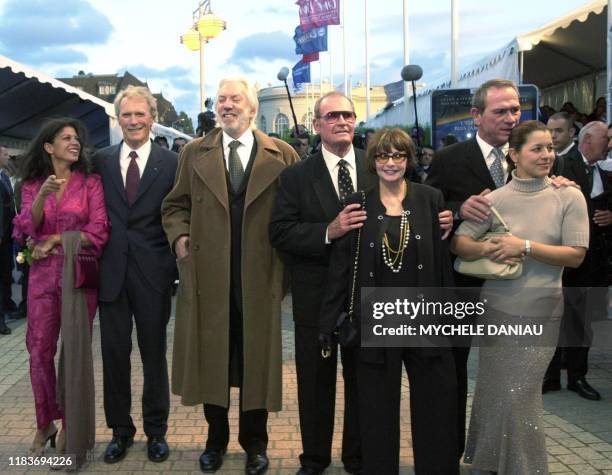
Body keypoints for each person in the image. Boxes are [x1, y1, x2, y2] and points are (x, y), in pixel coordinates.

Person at [161, 76, 298, 475]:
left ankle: (255, 444)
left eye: (235, 99)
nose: (227, 105)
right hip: (208, 276)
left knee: (257, 359)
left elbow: (295, 211)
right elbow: (174, 206)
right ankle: (215, 440)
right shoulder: (193, 153)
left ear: (252, 108)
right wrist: (181, 239)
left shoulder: (283, 153)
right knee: (212, 357)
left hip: (260, 276)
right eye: (221, 100)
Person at [318, 128, 459, 474]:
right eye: (383, 156)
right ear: (373, 161)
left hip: (424, 317)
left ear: (409, 159)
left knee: (435, 405)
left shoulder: (430, 199)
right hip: (375, 317)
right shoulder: (357, 203)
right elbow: (341, 266)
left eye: (398, 155)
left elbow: (441, 263)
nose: (391, 163)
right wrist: (327, 321)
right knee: (376, 410)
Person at [451, 120, 588, 474]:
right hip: (496, 310)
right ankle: (489, 460)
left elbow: (575, 255)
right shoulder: (493, 199)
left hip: (541, 312)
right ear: (514, 155)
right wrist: (490, 247)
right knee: (495, 389)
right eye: (537, 148)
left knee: (521, 394)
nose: (547, 155)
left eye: (550, 148)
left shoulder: (567, 195)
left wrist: (524, 246)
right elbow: (459, 243)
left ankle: (524, 467)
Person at [270, 91, 377, 475]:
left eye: (348, 114)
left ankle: (357, 458)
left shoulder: (376, 167)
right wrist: (327, 231)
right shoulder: (297, 175)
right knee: (315, 385)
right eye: (332, 116)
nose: (342, 121)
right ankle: (314, 459)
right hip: (315, 298)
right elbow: (280, 232)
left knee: (363, 382)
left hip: (367, 297)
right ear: (317, 125)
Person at [426, 78, 522, 456]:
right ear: (476, 115)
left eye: (515, 110)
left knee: (509, 374)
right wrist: (456, 209)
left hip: (517, 287)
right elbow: (430, 210)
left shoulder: (531, 154)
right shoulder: (450, 159)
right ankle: (449, 452)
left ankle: (500, 450)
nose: (510, 118)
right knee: (453, 371)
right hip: (462, 285)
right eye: (500, 111)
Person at [12, 118, 109, 457]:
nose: (75, 143)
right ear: (48, 147)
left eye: (77, 138)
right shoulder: (32, 184)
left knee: (74, 352)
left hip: (78, 277)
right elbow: (25, 225)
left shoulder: (91, 183)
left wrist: (55, 239)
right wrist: (40, 197)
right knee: (39, 351)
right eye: (66, 138)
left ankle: (71, 424)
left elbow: (98, 231)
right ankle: (44, 423)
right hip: (41, 278)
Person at [93, 86, 177, 464]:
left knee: (154, 354)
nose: (133, 121)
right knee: (114, 355)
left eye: (140, 114)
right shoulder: (101, 161)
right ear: (118, 119)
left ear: (152, 117)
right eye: (126, 115)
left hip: (153, 273)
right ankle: (120, 431)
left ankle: (156, 432)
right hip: (110, 273)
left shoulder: (171, 163)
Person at [544, 120, 612, 400]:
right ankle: (549, 377)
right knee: (556, 319)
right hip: (565, 260)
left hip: (595, 264)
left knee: (584, 324)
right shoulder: (560, 165)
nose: (609, 143)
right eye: (605, 138)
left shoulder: (605, 171)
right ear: (588, 140)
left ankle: (577, 377)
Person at [0, 145, 15, 334]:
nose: (8, 156)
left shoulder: (4, 176)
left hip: (7, 235)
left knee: (6, 274)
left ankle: (5, 306)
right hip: (1, 235)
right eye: (4, 154)